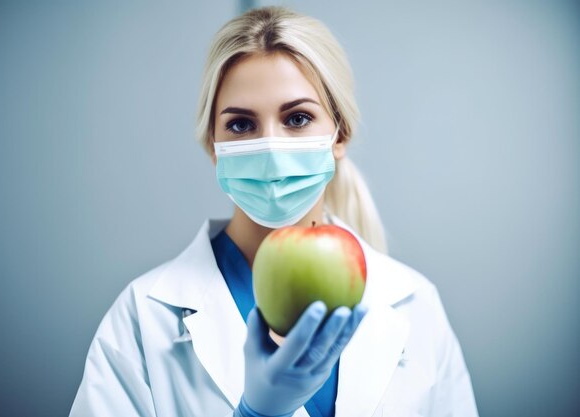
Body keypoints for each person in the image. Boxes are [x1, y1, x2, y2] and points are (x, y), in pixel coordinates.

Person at [69, 6, 479, 417]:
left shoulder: (416, 305)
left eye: (297, 118)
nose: (270, 148)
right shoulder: (143, 317)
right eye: (242, 125)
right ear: (214, 145)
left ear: (340, 135)